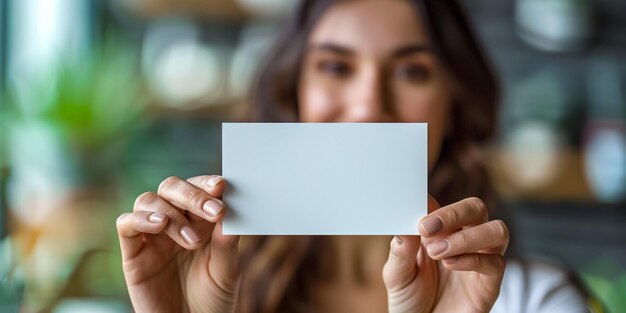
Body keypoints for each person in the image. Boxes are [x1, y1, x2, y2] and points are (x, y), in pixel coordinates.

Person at [116, 0, 590, 312]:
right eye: (336, 66)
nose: (367, 106)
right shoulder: (207, 288)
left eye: (411, 71)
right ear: (293, 93)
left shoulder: (536, 301)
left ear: (456, 103)